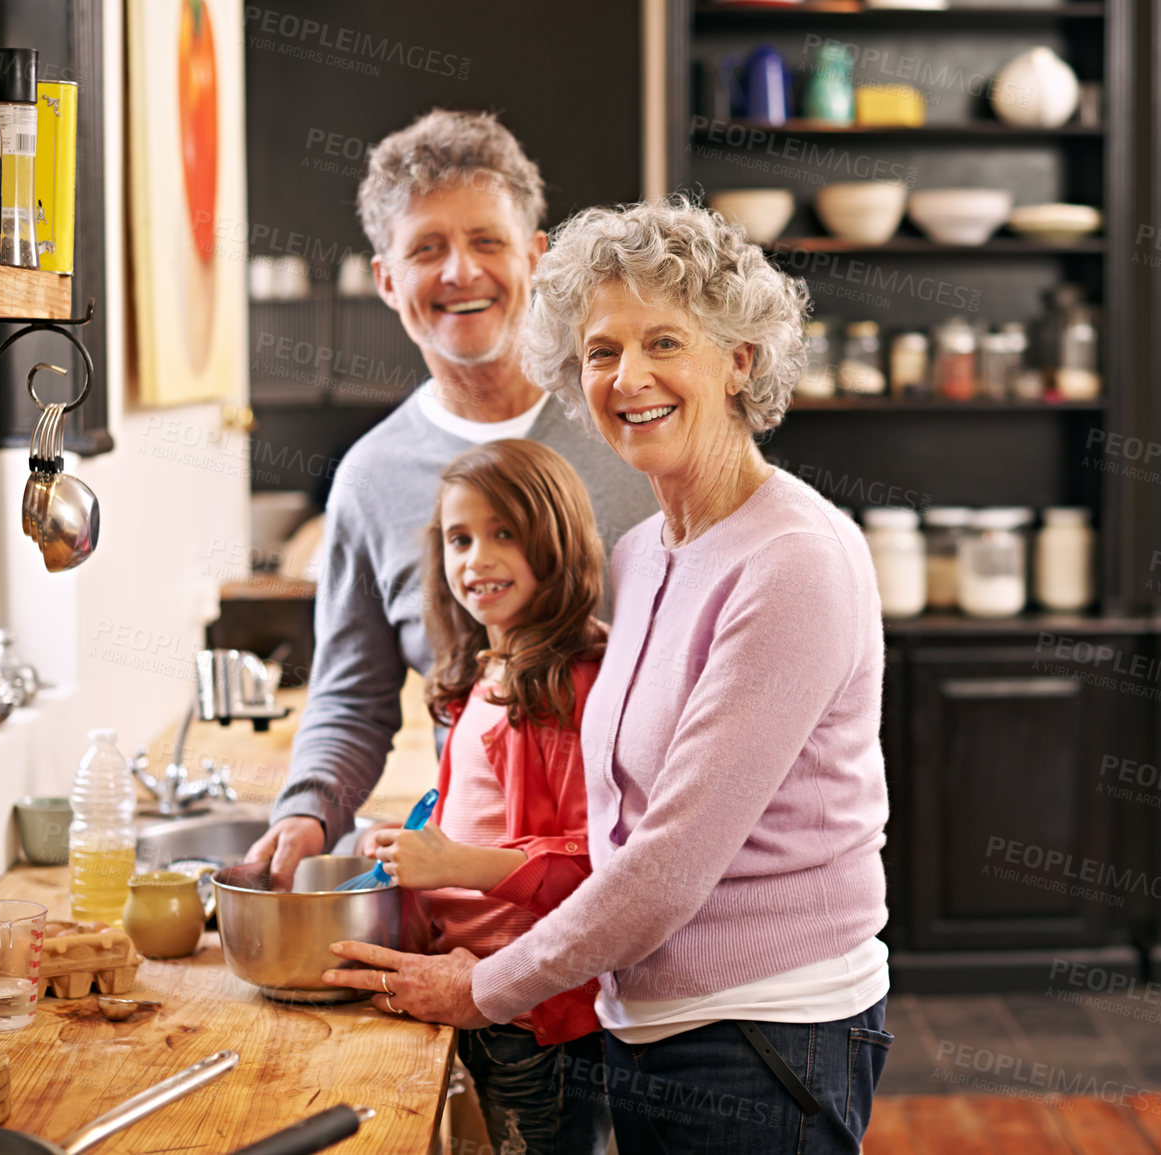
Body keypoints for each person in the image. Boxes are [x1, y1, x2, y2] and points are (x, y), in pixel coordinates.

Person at [324, 198, 894, 1154]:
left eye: (664, 342)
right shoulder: (639, 553)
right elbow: (611, 810)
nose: (627, 379)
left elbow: (665, 868)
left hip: (766, 1034)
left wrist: (482, 987)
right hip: (646, 1019)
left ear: (739, 359)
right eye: (599, 352)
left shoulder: (793, 559)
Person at [246, 110, 656, 888]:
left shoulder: (631, 428)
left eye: (487, 241)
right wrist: (305, 810)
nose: (459, 272)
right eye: (426, 248)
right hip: (484, 901)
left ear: (535, 256)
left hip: (646, 891)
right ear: (386, 278)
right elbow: (351, 697)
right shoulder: (369, 480)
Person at [366, 438, 609, 1154]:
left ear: (556, 540)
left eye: (504, 533)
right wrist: (416, 837)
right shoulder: (493, 666)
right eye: (459, 537)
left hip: (533, 1012)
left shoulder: (565, 684)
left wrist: (454, 865)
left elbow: (597, 867)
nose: (477, 559)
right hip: (477, 991)